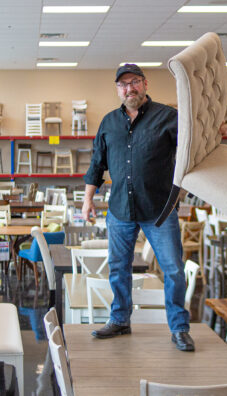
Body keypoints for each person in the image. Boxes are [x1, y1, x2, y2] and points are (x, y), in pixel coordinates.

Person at [82, 64, 194, 351]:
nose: (128, 89)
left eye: (134, 82)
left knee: (172, 270)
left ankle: (179, 328)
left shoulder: (169, 118)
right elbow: (97, 164)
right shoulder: (108, 123)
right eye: (123, 85)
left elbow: (192, 152)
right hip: (120, 210)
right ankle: (120, 320)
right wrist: (87, 199)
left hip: (159, 210)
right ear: (117, 89)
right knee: (118, 268)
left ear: (145, 84)